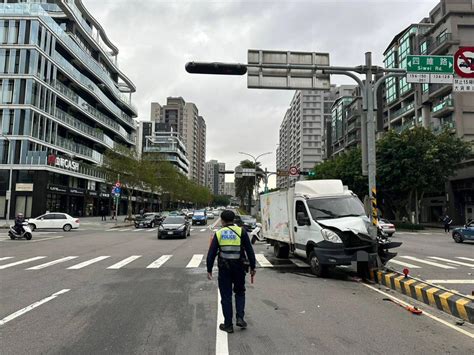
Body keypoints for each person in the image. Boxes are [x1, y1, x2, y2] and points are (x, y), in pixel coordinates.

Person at [206, 210, 256, 334]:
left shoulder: (219, 233)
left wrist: (209, 269)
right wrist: (253, 267)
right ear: (233, 220)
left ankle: (228, 325)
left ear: (222, 220)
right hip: (239, 268)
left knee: (226, 296)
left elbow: (211, 253)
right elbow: (250, 251)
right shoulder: (241, 231)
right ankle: (240, 318)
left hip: (224, 269)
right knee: (240, 292)